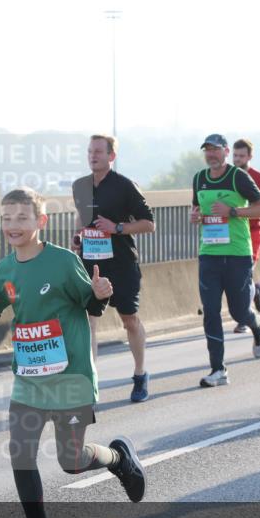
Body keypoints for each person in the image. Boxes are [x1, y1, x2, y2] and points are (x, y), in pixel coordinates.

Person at [0, 187, 146, 518]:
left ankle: (118, 458)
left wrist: (100, 292)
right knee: (21, 454)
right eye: (6, 218)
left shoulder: (63, 262)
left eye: (22, 218)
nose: (13, 226)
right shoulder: (5, 269)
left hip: (71, 377)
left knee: (71, 461)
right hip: (29, 378)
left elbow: (90, 301)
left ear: (40, 222)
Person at [71, 135, 156, 402]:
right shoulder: (80, 186)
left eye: (98, 151)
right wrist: (77, 236)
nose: (92, 156)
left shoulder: (125, 186)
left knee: (129, 320)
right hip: (91, 264)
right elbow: (81, 216)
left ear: (111, 156)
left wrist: (118, 228)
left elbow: (149, 224)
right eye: (89, 151)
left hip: (121, 264)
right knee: (89, 322)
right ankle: (90, 383)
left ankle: (140, 374)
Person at [189, 134, 260, 387]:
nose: (211, 155)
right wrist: (196, 217)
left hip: (237, 254)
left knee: (239, 312)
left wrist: (233, 211)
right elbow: (197, 209)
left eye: (215, 150)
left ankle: (258, 328)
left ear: (226, 152)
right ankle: (218, 369)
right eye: (207, 151)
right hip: (209, 255)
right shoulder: (199, 179)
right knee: (211, 312)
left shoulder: (238, 177)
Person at [231, 138, 260, 333]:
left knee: (245, 271)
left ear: (250, 156)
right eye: (235, 155)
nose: (237, 159)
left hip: (252, 231)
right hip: (233, 232)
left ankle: (244, 319)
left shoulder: (259, 178)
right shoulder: (227, 175)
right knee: (239, 274)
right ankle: (257, 289)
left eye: (241, 156)